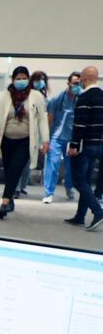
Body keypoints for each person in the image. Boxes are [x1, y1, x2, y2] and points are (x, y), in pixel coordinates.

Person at [0, 66, 49, 219]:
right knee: (9, 171)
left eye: (24, 78)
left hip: (25, 140)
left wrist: (45, 140)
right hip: (7, 139)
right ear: (13, 80)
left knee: (16, 169)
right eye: (18, 78)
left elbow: (42, 120)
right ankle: (10, 200)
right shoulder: (7, 96)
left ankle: (4, 203)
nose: (21, 81)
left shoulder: (36, 96)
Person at [65, 66, 103, 231]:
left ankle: (97, 211)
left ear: (85, 78)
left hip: (85, 145)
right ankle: (80, 216)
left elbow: (79, 124)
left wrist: (74, 145)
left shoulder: (84, 97)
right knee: (86, 181)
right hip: (99, 145)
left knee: (78, 180)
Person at [43, 72, 82, 203]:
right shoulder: (57, 99)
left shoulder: (81, 99)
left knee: (71, 166)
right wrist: (46, 139)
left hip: (72, 138)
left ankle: (69, 186)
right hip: (56, 137)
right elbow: (49, 119)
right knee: (53, 164)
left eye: (80, 83)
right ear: (69, 84)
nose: (78, 86)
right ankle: (49, 193)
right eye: (75, 83)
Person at [15, 70, 49, 198]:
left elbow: (44, 120)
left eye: (42, 80)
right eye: (37, 80)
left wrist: (44, 140)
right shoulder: (24, 95)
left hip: (37, 137)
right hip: (24, 134)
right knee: (20, 163)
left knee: (28, 165)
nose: (39, 83)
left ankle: (22, 186)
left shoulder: (45, 98)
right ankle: (16, 188)